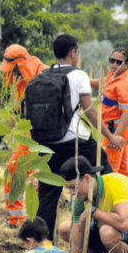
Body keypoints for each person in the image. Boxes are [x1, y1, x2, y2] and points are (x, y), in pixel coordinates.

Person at [33, 34, 102, 237]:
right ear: (73, 53)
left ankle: (41, 242)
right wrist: (109, 135)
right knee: (104, 175)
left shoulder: (42, 75)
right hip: (74, 140)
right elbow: (89, 109)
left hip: (46, 143)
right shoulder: (78, 75)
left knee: (48, 193)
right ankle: (102, 229)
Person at [0, 43, 46, 227]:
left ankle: (43, 220)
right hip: (30, 135)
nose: (10, 73)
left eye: (13, 69)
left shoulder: (43, 75)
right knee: (13, 169)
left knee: (40, 178)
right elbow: (18, 113)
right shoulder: (21, 82)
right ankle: (15, 219)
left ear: (20, 64)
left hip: (46, 136)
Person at [98, 47, 128, 179]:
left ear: (126, 64)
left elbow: (126, 112)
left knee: (111, 168)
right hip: (118, 128)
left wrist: (115, 137)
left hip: (117, 128)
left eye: (118, 62)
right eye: (112, 60)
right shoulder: (114, 75)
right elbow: (102, 83)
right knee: (122, 168)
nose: (114, 64)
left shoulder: (124, 83)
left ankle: (113, 198)